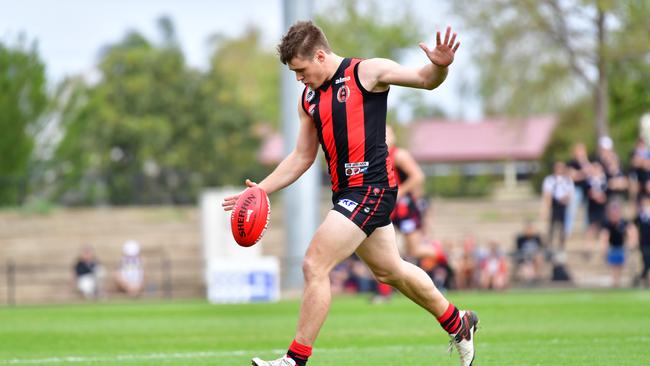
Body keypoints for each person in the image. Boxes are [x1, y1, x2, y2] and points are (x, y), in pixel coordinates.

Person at [222, 21, 477, 366]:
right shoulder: (309, 98)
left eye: (301, 69)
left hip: (371, 188)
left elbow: (425, 80)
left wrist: (440, 66)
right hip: (346, 195)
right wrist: (260, 190)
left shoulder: (367, 73)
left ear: (321, 55)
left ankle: (294, 361)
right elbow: (301, 156)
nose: (298, 78)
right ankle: (458, 323)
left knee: (314, 264)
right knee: (391, 271)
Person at [600, 202, 636, 287]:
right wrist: (604, 247)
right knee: (614, 265)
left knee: (619, 265)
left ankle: (617, 280)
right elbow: (604, 236)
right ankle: (615, 281)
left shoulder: (624, 222)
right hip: (612, 247)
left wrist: (631, 243)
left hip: (621, 247)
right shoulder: (608, 223)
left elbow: (631, 232)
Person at [541, 161, 574, 251]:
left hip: (563, 206)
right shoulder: (549, 180)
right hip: (554, 205)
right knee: (552, 227)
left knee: (562, 228)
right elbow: (547, 194)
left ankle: (561, 246)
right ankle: (550, 246)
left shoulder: (567, 180)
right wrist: (547, 208)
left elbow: (570, 193)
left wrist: (565, 199)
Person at [565, 142, 591, 236]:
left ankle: (587, 231)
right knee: (571, 211)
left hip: (587, 190)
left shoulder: (587, 162)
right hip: (575, 189)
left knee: (588, 211)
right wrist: (583, 173)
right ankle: (567, 231)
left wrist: (584, 163)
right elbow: (572, 176)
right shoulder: (571, 163)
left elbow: (590, 171)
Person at [634, 194, 650, 287]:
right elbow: (633, 226)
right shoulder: (640, 216)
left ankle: (642, 276)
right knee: (645, 260)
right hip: (644, 242)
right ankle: (644, 277)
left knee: (647, 261)